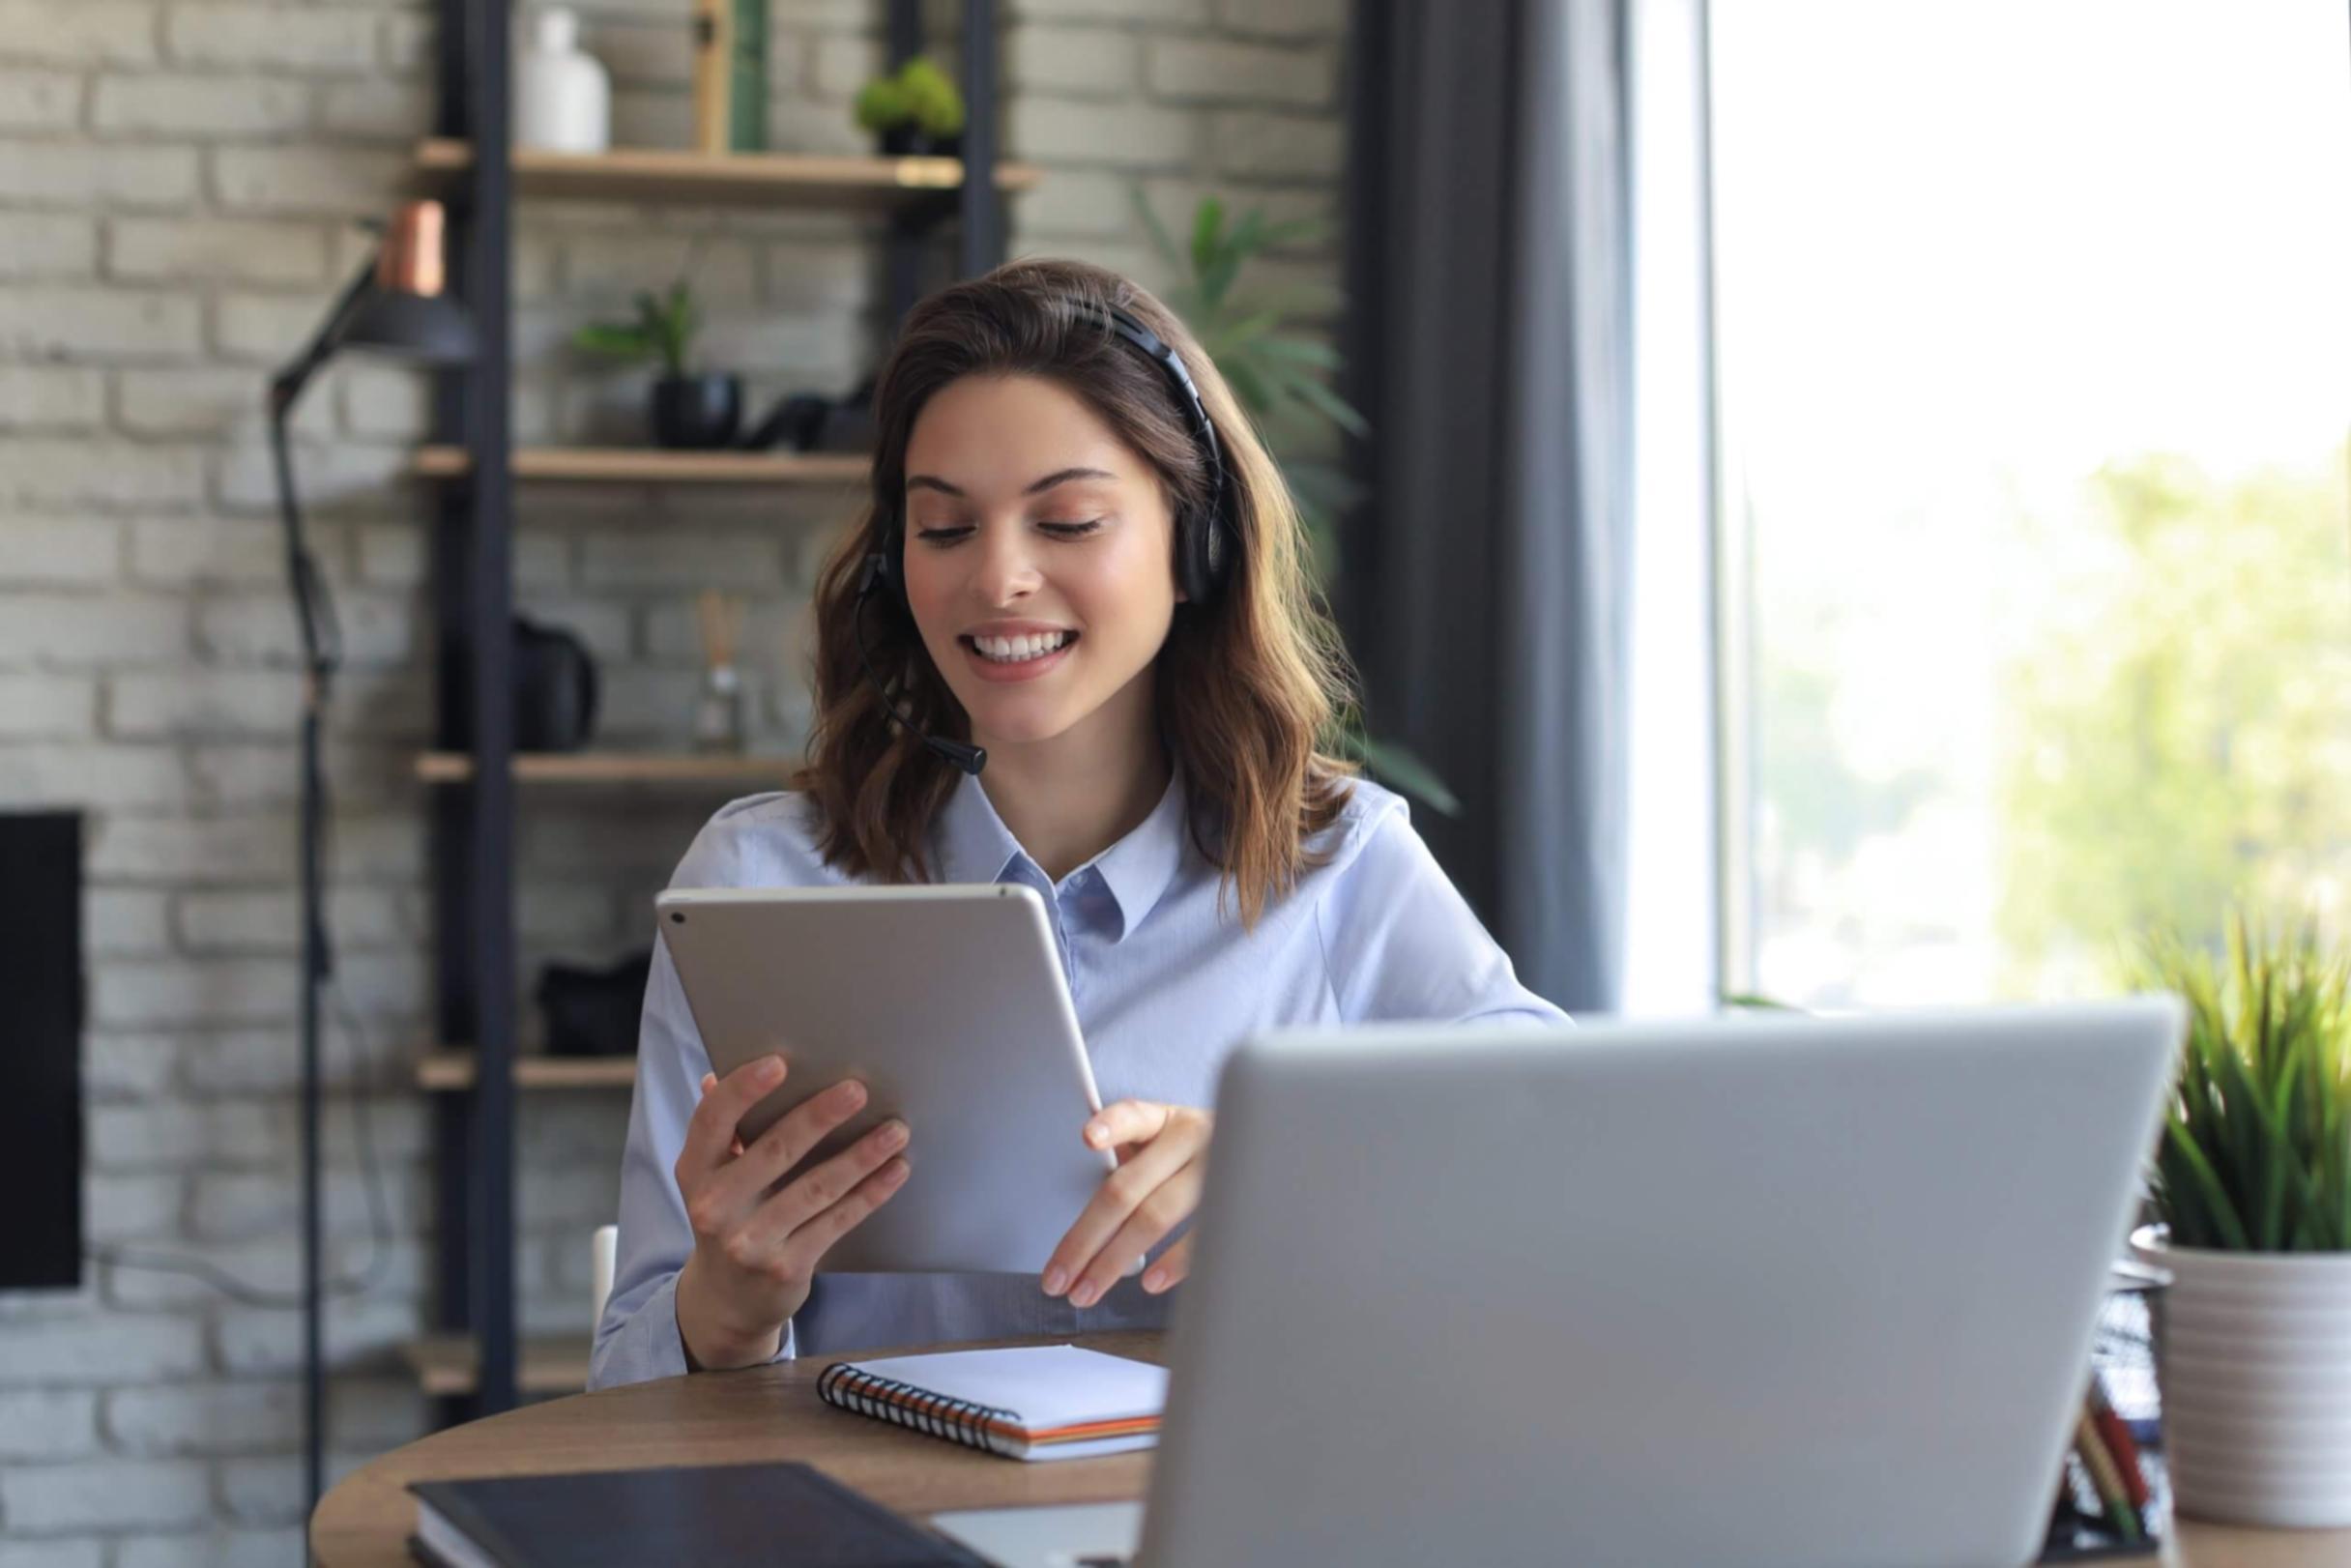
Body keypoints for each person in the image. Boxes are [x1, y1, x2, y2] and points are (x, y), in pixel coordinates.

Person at [590, 256, 1564, 1388]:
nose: (998, 578)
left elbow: (1549, 1150)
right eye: (944, 529)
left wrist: (1288, 1162)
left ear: (1191, 541)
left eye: (1067, 520)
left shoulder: (1336, 864)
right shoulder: (755, 878)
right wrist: (726, 1308)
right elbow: (628, 1389)